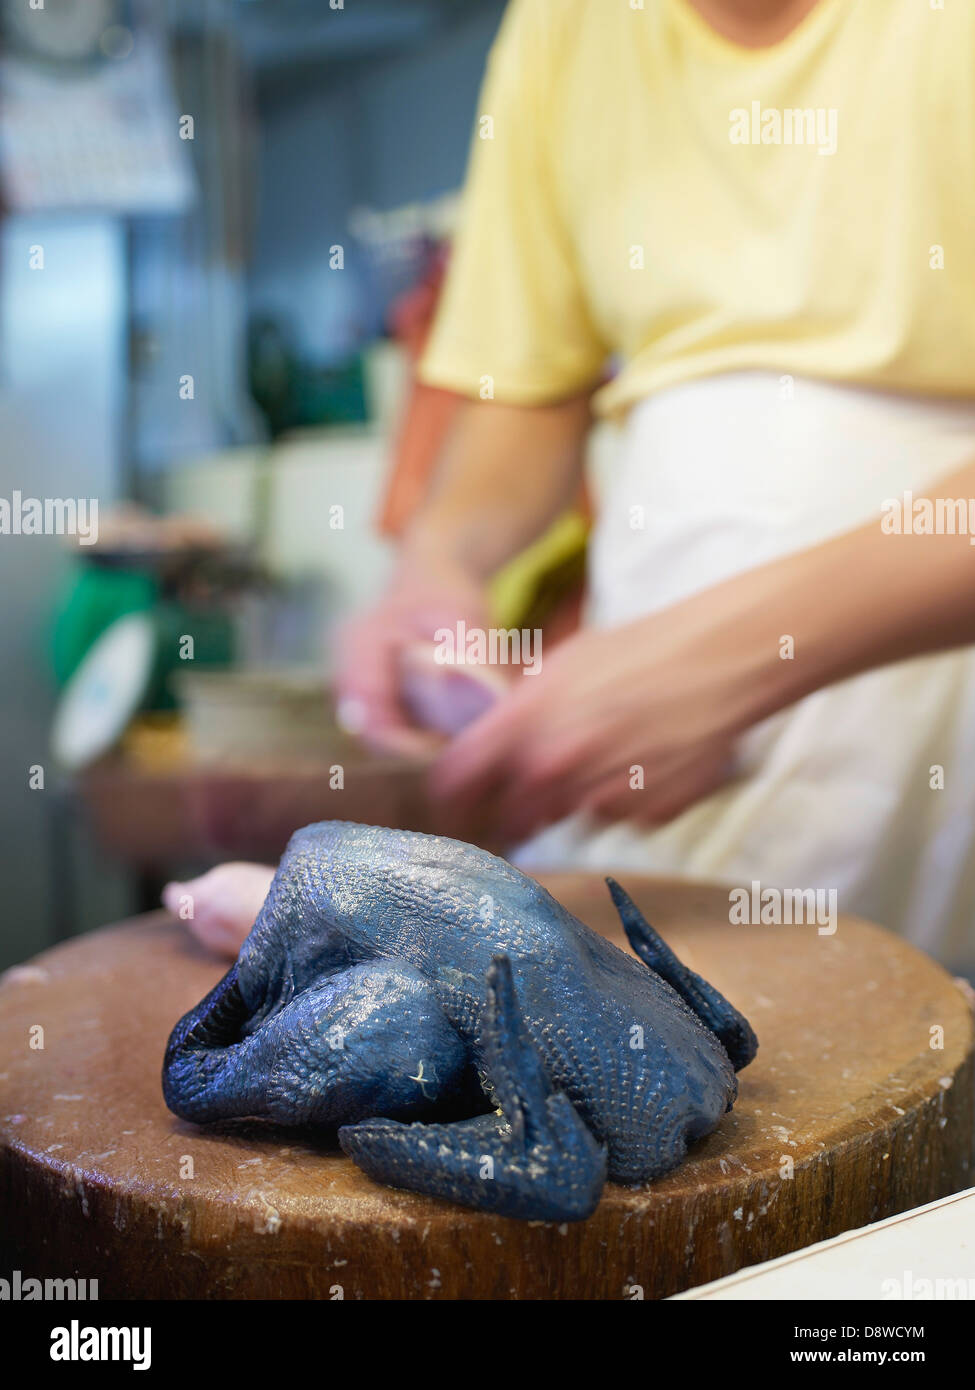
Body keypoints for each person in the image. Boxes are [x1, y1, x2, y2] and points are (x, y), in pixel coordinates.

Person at [178, 0, 975, 973]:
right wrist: (440, 561)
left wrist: (738, 656)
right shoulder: (566, 23)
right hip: (662, 696)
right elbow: (530, 389)